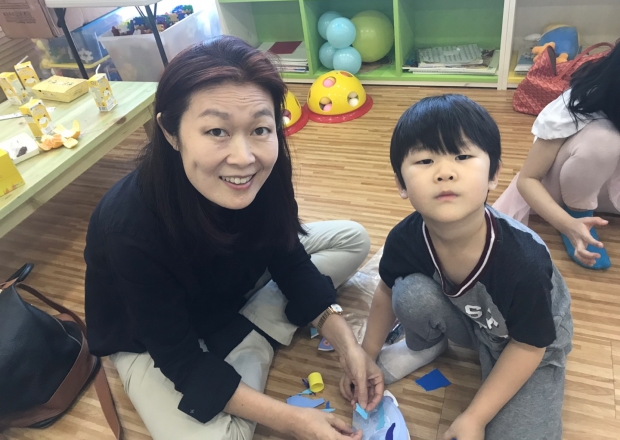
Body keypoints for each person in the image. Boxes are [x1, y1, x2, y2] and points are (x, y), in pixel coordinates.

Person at [84, 36, 384, 440]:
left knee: (353, 239)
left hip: (227, 286)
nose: (244, 158)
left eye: (260, 128)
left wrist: (350, 348)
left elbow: (290, 259)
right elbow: (180, 360)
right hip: (151, 337)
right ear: (171, 132)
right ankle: (253, 337)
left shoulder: (265, 169)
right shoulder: (129, 226)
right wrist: (295, 420)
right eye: (216, 131)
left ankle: (247, 332)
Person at [340, 95, 573, 440]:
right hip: (474, 320)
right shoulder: (405, 238)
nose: (445, 172)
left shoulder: (523, 262)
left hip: (530, 345)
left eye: (462, 157)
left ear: (494, 174)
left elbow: (530, 346)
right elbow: (386, 292)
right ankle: (429, 345)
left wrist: (474, 417)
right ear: (401, 184)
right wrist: (366, 356)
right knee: (408, 292)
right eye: (425, 160)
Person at [494, 42, 620, 270]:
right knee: (604, 141)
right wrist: (569, 225)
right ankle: (579, 214)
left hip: (609, 190)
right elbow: (527, 179)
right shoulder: (583, 100)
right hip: (568, 186)